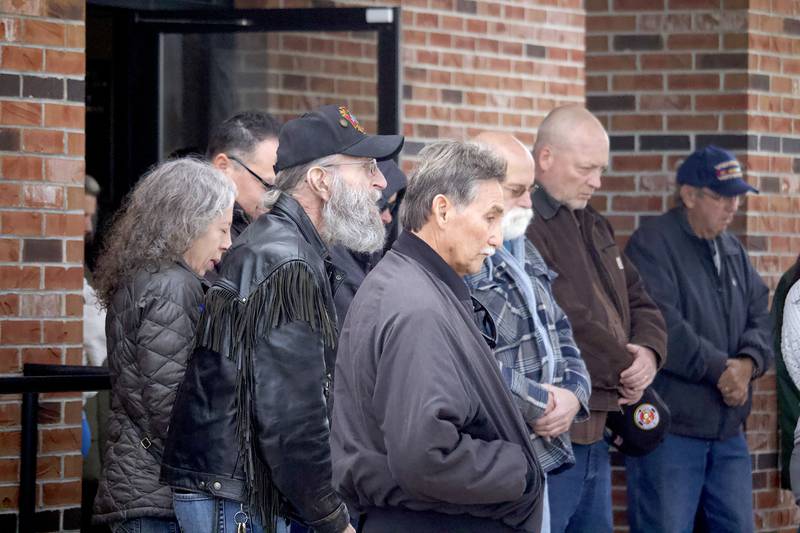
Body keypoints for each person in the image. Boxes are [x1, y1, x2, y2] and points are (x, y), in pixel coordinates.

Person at [161, 105, 403, 533]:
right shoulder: (284, 258)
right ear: (320, 180)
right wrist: (329, 515)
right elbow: (291, 413)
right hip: (239, 498)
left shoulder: (287, 248)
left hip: (243, 491)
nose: (381, 182)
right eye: (366, 168)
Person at [331, 140, 544, 533]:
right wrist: (520, 470)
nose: (497, 239)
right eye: (490, 217)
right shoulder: (417, 306)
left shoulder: (412, 283)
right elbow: (427, 456)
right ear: (443, 210)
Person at [525, 105, 667, 533]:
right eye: (586, 168)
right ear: (545, 158)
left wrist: (650, 353)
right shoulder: (525, 227)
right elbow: (565, 318)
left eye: (600, 169)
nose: (597, 182)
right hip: (556, 433)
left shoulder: (594, 223)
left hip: (599, 425)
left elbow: (641, 299)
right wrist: (629, 370)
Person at [624, 145, 772, 533]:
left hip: (727, 435)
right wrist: (722, 370)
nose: (733, 207)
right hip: (673, 433)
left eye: (737, 197)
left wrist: (748, 364)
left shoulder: (732, 248)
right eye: (722, 197)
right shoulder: (651, 243)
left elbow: (761, 313)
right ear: (689, 195)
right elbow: (662, 324)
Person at [91, 158, 236, 531]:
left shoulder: (145, 277)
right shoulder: (173, 285)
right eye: (221, 229)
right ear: (189, 224)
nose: (227, 243)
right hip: (159, 498)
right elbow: (173, 407)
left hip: (140, 490)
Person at [467, 132, 591, 533]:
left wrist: (575, 394)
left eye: (531, 189)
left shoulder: (522, 247)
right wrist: (543, 405)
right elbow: (469, 362)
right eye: (516, 190)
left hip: (537, 459)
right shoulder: (461, 260)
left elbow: (559, 327)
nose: (527, 202)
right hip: (491, 461)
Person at [329, 159, 407, 322]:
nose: (388, 217)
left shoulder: (370, 259)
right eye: (382, 205)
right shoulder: (335, 263)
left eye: (393, 207)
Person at [207, 110, 281, 239]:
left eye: (283, 188)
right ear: (223, 167)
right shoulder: (202, 235)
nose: (276, 199)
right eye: (268, 186)